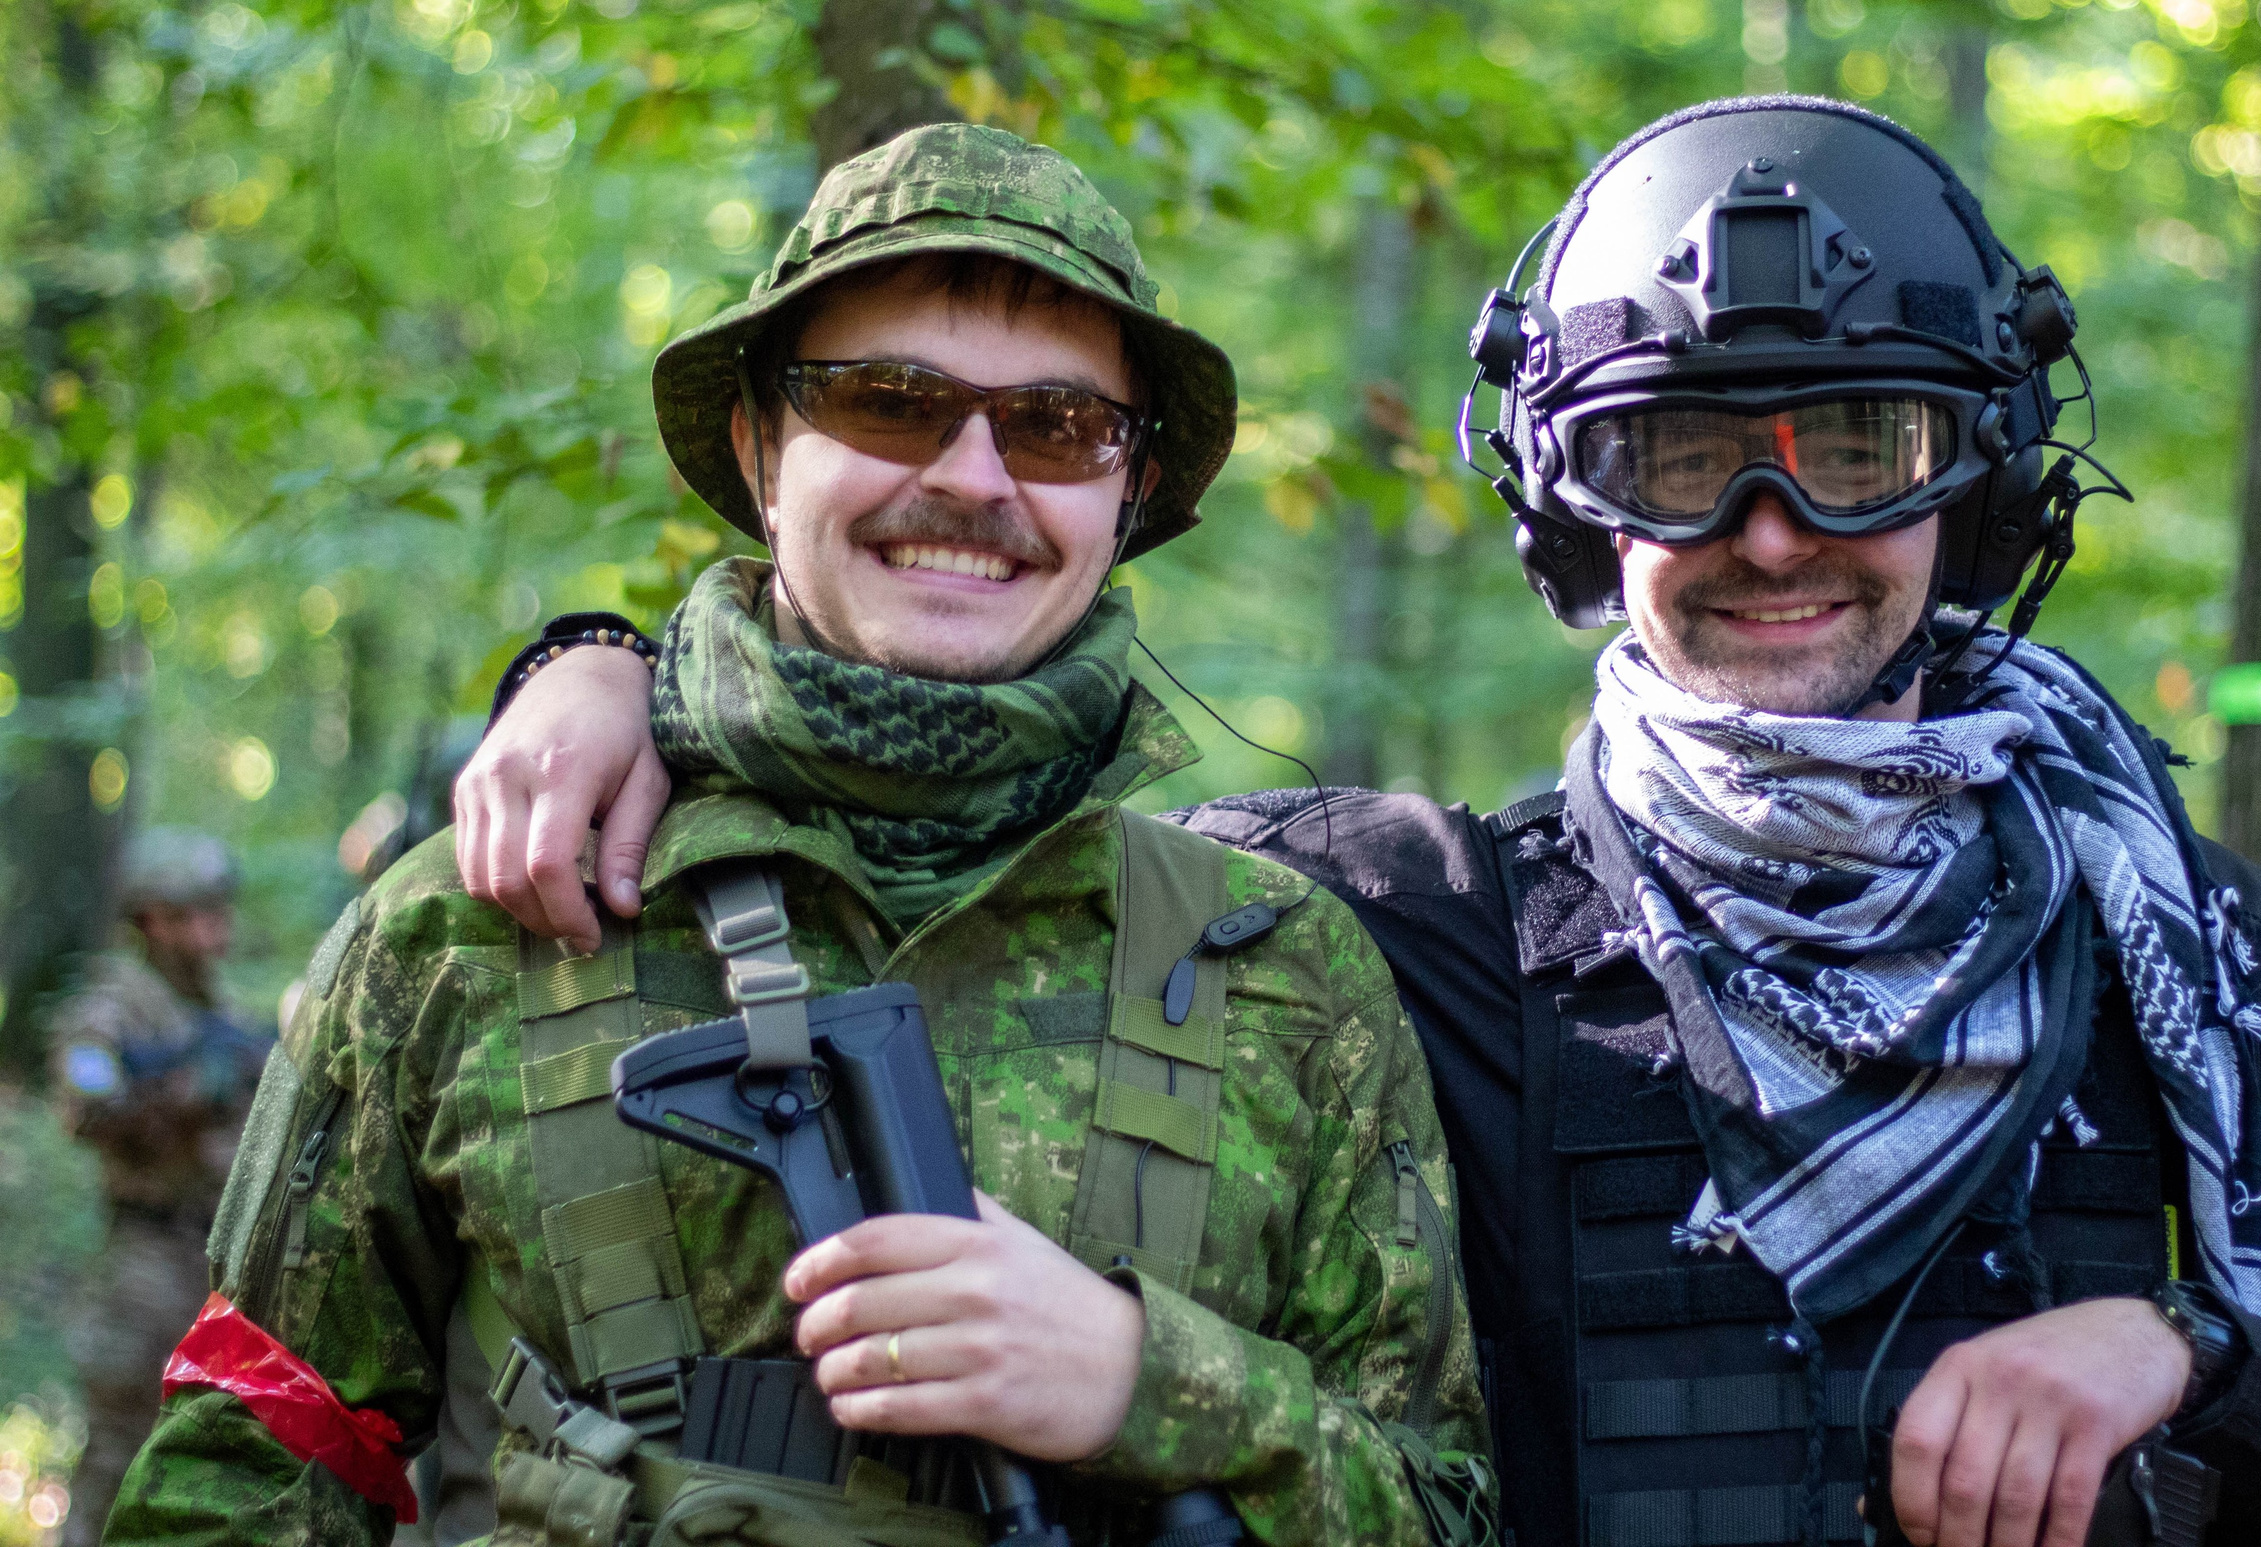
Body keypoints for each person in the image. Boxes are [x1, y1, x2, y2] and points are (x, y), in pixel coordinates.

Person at [449, 99, 2261, 1547]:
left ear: (1978, 484)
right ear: (1571, 512)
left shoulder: (2194, 957)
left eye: (1855, 444)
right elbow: (940, 829)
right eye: (1673, 461)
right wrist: (617, 672)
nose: (1768, 533)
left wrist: (2193, 1356)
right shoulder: (1392, 929)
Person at [108, 123, 1495, 1547]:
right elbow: (249, 1461)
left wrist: (1154, 1381)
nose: (972, 475)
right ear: (763, 446)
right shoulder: (475, 917)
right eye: (890, 401)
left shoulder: (1281, 971)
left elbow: (1447, 1507)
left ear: (1127, 490)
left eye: (1058, 425)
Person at [51, 827, 268, 1547]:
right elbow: (88, 1106)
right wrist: (187, 1093)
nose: (216, 929)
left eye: (219, 909)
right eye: (196, 912)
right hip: (144, 1263)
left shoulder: (221, 1011)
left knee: (209, 1469)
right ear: (151, 919)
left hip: (220, 1265)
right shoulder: (110, 1011)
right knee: (116, 1458)